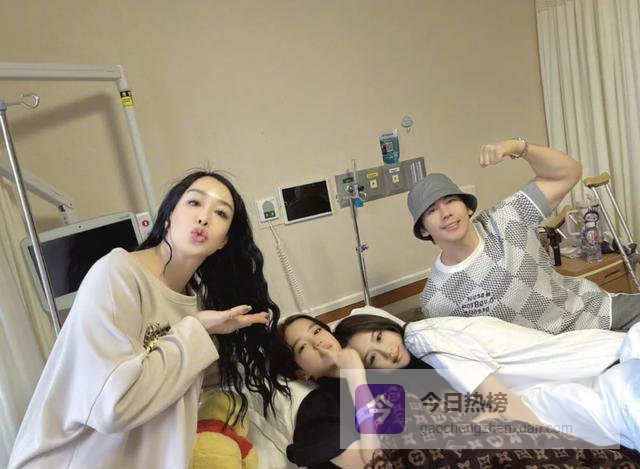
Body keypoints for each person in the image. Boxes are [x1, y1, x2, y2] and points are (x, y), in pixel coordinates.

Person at [9, 170, 287, 469]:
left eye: (220, 213)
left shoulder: (197, 301)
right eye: (194, 203)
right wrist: (197, 329)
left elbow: (184, 385)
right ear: (168, 216)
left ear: (224, 241)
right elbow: (113, 406)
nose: (204, 217)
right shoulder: (118, 273)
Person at [407, 138, 640, 333]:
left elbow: (569, 173)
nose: (446, 213)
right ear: (423, 229)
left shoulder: (507, 218)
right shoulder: (436, 300)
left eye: (450, 201)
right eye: (432, 210)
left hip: (595, 314)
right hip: (552, 358)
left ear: (467, 207)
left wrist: (518, 147)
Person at [335, 313, 640, 452]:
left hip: (605, 365)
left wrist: (568, 451)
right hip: (589, 371)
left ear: (387, 326)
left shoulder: (421, 339)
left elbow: (499, 398)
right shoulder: (420, 377)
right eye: (373, 358)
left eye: (379, 337)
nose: (387, 352)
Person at [273, 314, 380, 469]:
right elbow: (376, 461)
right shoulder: (315, 411)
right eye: (302, 347)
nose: (317, 342)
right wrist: (357, 380)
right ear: (302, 373)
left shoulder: (376, 364)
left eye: (316, 331)